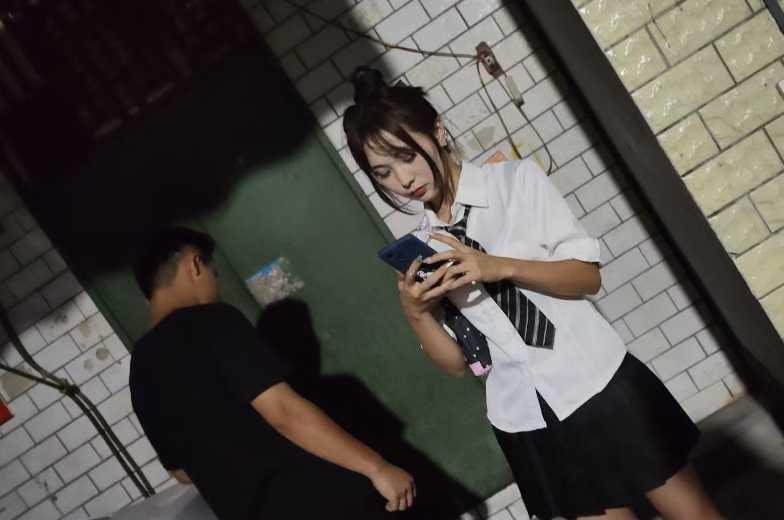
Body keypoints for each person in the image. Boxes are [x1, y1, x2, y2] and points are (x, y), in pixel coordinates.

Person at [342, 67, 724, 520]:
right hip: (526, 417)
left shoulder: (516, 183)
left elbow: (586, 277)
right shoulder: (424, 247)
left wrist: (497, 266)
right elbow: (457, 366)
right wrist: (416, 313)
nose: (403, 180)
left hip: (597, 383)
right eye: (383, 172)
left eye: (406, 156)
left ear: (438, 131)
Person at [129, 227, 415, 520]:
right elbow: (283, 411)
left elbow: (181, 472)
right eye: (215, 274)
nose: (216, 286)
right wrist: (376, 468)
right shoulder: (212, 321)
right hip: (317, 501)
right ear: (195, 265)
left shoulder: (140, 367)